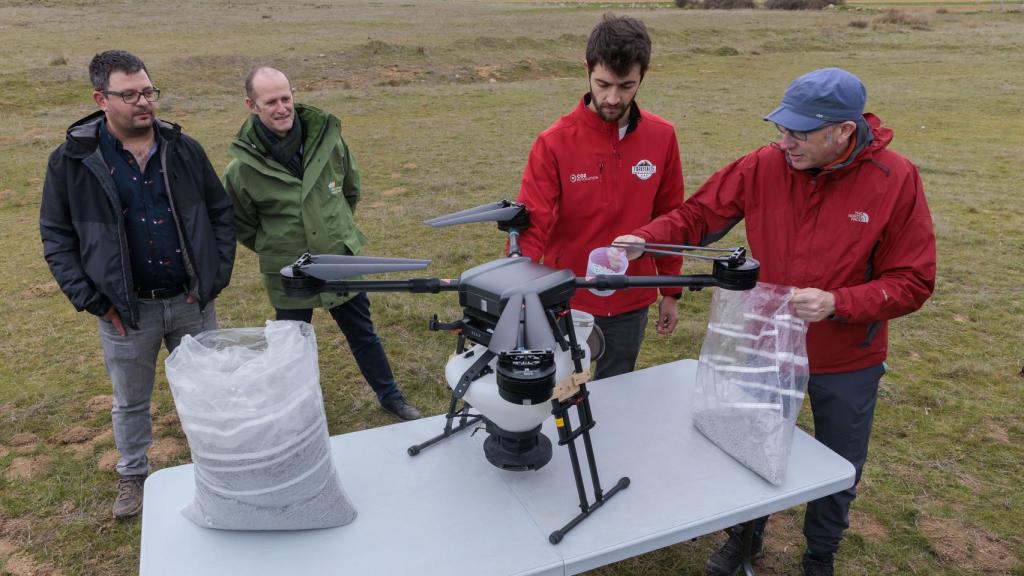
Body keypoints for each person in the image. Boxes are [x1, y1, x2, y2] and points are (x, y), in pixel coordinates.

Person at [615, 68, 936, 576]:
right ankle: (744, 540)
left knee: (840, 464)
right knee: (752, 446)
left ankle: (819, 556)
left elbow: (914, 279)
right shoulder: (764, 164)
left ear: (843, 132)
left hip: (848, 355)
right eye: (782, 128)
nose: (785, 141)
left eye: (800, 132)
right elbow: (698, 216)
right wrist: (644, 238)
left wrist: (839, 302)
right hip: (768, 344)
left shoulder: (896, 180)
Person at [40, 50, 236, 520]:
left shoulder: (183, 149)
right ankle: (133, 475)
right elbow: (57, 237)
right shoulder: (72, 162)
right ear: (100, 99)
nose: (142, 102)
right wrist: (93, 300)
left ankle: (218, 464)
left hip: (191, 300)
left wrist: (212, 278)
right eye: (128, 94)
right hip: (126, 313)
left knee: (208, 389)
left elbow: (219, 213)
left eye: (148, 91)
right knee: (130, 401)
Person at [222, 66, 422, 422]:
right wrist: (279, 246)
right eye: (271, 102)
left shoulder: (329, 142)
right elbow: (243, 225)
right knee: (290, 345)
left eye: (286, 97)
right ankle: (296, 410)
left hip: (338, 258)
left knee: (363, 333)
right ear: (251, 105)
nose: (282, 107)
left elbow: (350, 190)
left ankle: (390, 396)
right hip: (288, 270)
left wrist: (336, 230)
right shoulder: (240, 170)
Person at [516, 14, 685, 381]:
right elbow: (533, 225)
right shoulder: (554, 143)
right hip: (566, 299)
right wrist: (518, 296)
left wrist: (670, 290)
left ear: (644, 75)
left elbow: (671, 216)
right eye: (603, 84)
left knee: (618, 389)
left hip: (631, 298)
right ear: (587, 70)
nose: (613, 98)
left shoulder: (662, 136)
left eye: (626, 86)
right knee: (559, 390)